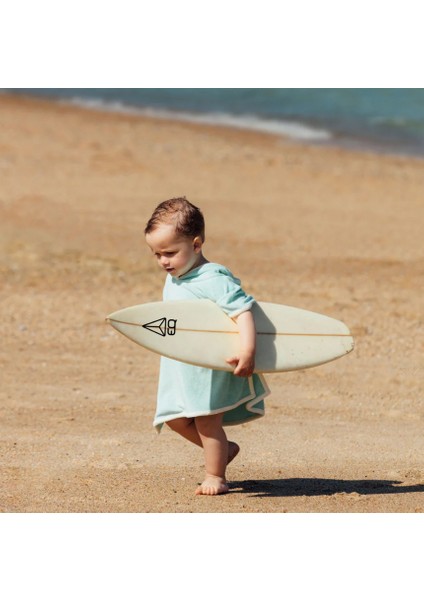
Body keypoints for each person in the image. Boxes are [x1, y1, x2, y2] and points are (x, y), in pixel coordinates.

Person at [144, 197, 270, 495]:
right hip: (181, 364)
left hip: (210, 366)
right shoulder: (176, 274)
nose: (163, 261)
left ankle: (216, 475)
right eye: (157, 254)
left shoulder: (213, 279)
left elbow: (243, 311)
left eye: (170, 253)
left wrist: (248, 351)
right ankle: (224, 450)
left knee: (205, 422)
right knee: (173, 418)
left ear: (197, 244)